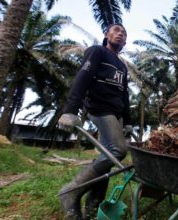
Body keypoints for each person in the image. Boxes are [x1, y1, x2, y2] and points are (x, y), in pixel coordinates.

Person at [57, 23, 132, 220]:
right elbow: (82, 77)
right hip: (100, 108)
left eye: (123, 33)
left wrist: (128, 122)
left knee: (106, 156)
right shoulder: (97, 51)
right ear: (106, 35)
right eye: (116, 30)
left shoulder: (122, 66)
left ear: (125, 41)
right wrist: (70, 111)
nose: (120, 34)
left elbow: (124, 95)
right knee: (117, 151)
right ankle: (70, 191)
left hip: (116, 113)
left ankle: (94, 201)